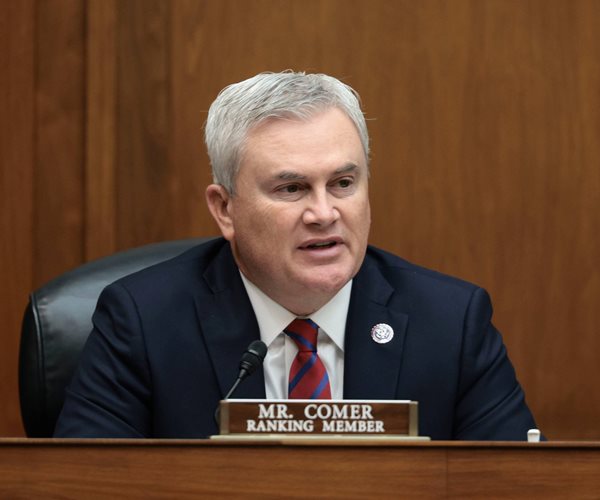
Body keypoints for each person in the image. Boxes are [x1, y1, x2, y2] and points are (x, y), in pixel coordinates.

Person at [54, 71, 538, 439]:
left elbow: (517, 487)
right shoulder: (143, 323)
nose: (324, 213)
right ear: (225, 209)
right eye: (292, 188)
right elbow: (83, 485)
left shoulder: (452, 323)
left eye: (343, 184)